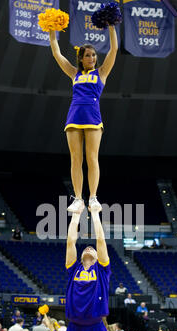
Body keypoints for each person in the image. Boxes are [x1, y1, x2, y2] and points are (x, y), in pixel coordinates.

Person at [49, 25, 118, 214]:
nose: (92, 58)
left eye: (94, 55)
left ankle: (93, 197)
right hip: (74, 115)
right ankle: (78, 198)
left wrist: (111, 27)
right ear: (80, 58)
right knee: (75, 159)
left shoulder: (102, 73)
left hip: (93, 116)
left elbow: (114, 50)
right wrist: (51, 30)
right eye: (88, 55)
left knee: (92, 158)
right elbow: (57, 53)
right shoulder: (74, 73)